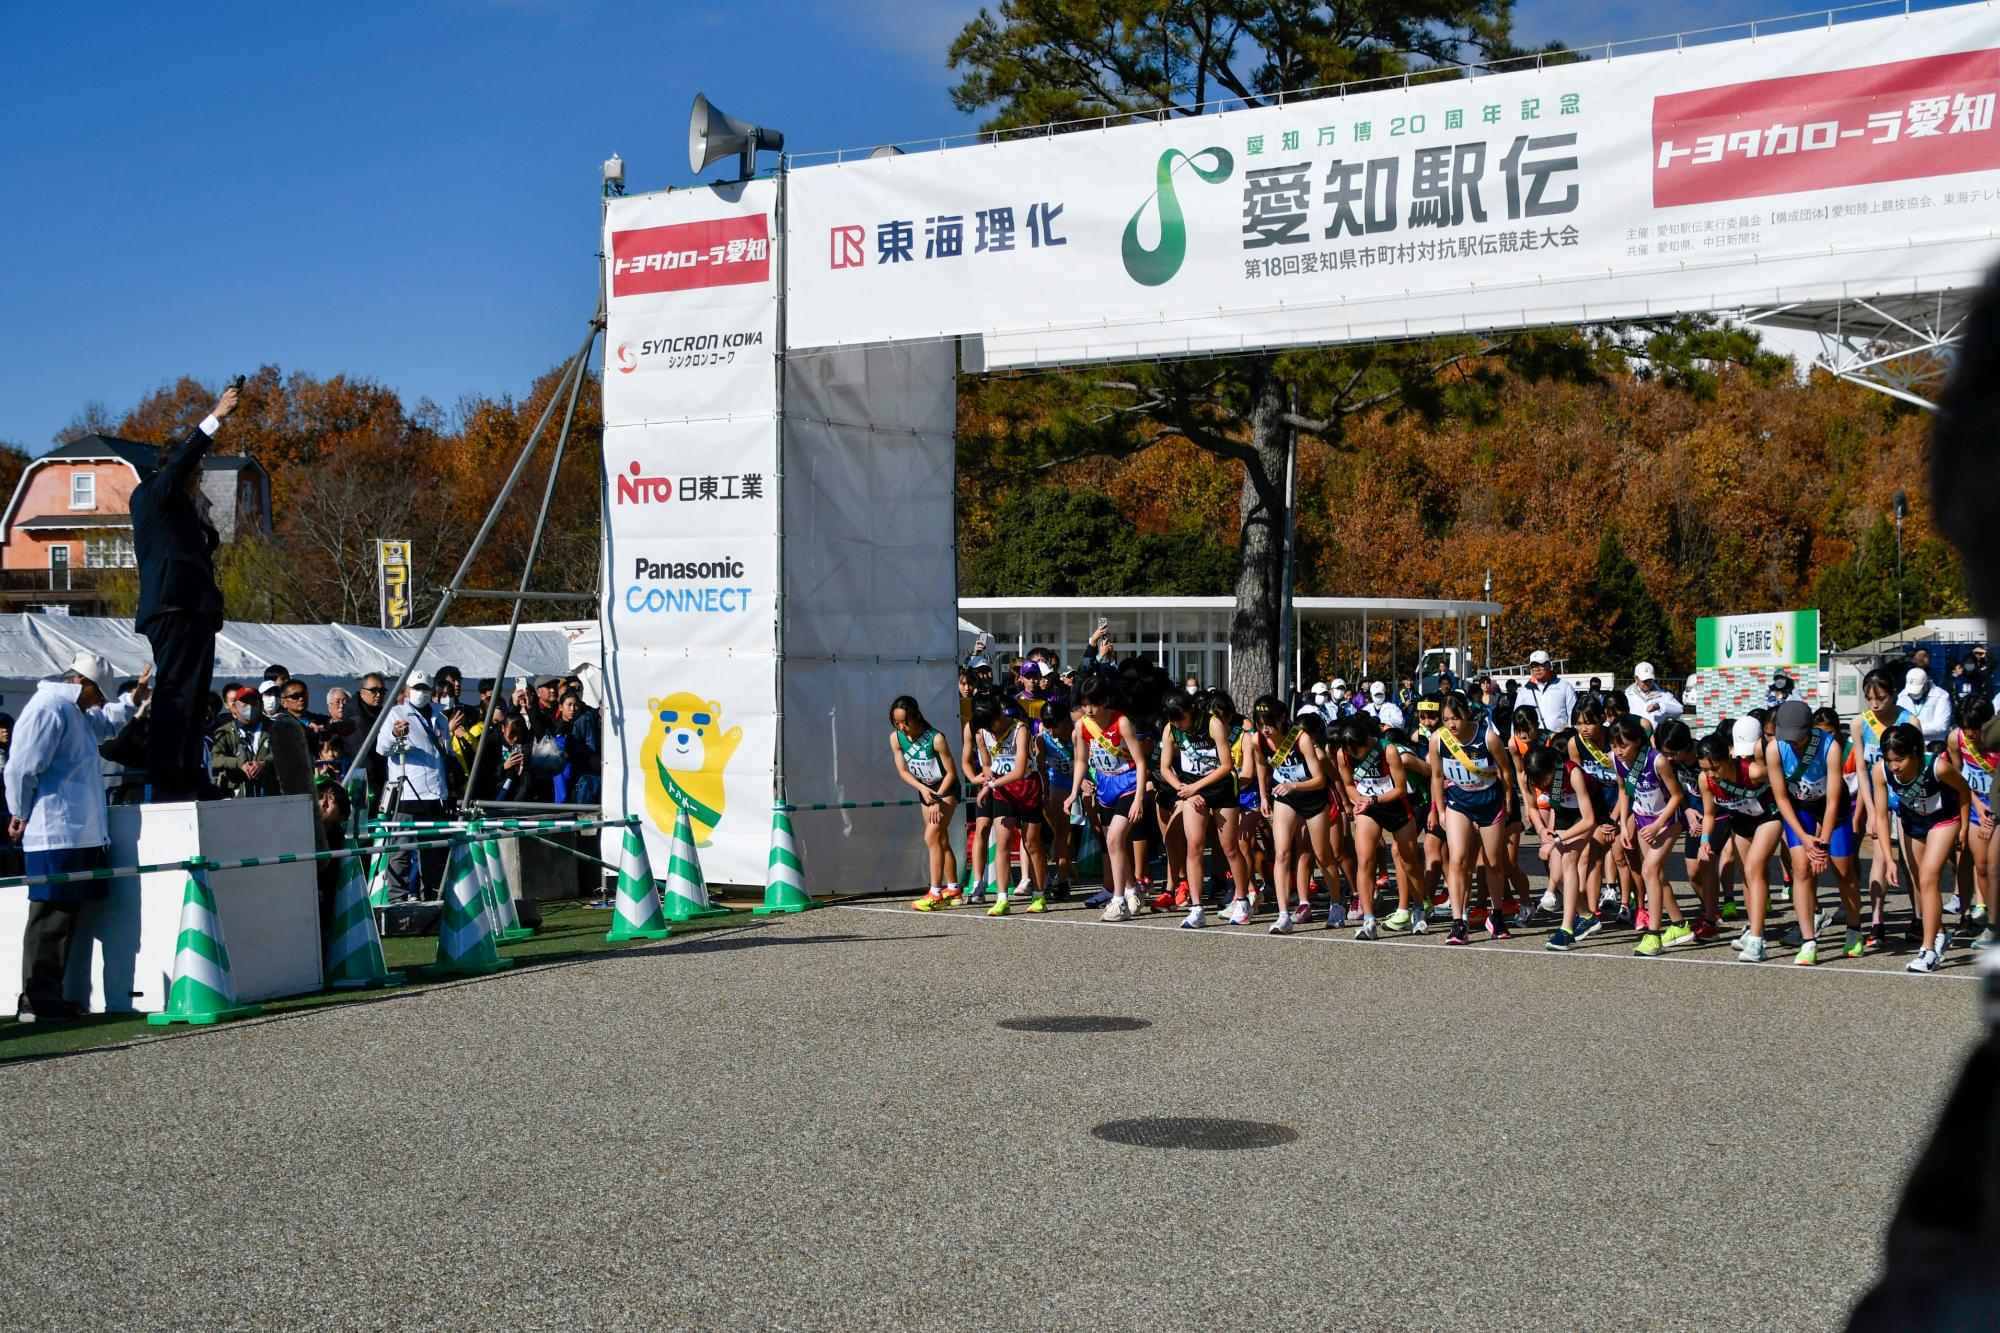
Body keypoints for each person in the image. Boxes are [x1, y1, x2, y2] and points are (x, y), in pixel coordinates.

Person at [9, 653, 146, 1022]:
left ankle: (48, 995)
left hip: (76, 830)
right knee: (50, 914)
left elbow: (105, 725)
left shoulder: (75, 711)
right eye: (98, 693)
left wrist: (132, 700)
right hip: (53, 829)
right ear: (81, 683)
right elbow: (21, 767)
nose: (101, 701)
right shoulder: (48, 709)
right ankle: (36, 999)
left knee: (65, 915)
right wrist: (19, 811)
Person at [132, 381, 239, 801]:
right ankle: (166, 776)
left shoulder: (183, 512)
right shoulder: (153, 493)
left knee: (196, 696)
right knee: (175, 691)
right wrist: (217, 415)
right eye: (195, 474)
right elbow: (179, 466)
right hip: (171, 607)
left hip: (195, 609)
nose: (198, 481)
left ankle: (190, 772)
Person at [1766, 698, 1864, 965]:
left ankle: (1854, 929)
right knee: (1801, 868)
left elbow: (1833, 801)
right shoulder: (1774, 749)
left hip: (1833, 807)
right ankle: (1809, 940)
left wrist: (1822, 844)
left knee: (1844, 870)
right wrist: (1805, 839)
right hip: (1800, 809)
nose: (1793, 743)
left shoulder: (1830, 747)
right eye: (1789, 738)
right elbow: (1781, 798)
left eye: (1798, 738)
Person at [1880, 723, 1974, 973]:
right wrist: (1889, 859)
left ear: (1915, 752)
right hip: (1913, 822)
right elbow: (1880, 816)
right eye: (1888, 760)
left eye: (1898, 759)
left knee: (1929, 876)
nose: (1893, 766)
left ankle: (1929, 949)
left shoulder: (1939, 767)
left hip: (1944, 820)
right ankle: (1940, 933)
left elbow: (1964, 791)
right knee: (1919, 881)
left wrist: (1964, 828)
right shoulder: (1881, 771)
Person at [1428, 690, 1515, 945]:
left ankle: (1496, 914)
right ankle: (1459, 922)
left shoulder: (1488, 738)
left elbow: (1505, 770)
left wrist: (1509, 797)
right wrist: (1439, 809)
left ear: (1466, 713)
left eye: (1455, 717)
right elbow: (1436, 776)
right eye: (1445, 719)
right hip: (1458, 802)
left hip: (1489, 801)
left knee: (1493, 862)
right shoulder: (1438, 740)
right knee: (1457, 860)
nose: (1451, 724)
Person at [1068, 677, 1149, 923]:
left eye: (1093, 704)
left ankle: (1118, 900)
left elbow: (1141, 761)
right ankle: (1132, 889)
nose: (1089, 710)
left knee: (1114, 839)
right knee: (1116, 844)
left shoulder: (1121, 722)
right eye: (1084, 704)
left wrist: (1139, 799)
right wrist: (1074, 792)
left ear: (1105, 701)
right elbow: (1081, 760)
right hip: (1104, 786)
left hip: (1127, 784)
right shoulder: (1082, 726)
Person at [1156, 693, 1235, 930]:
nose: (1180, 724)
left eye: (1182, 719)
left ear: (1192, 710)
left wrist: (1196, 788)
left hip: (1219, 786)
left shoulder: (1213, 723)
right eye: (1175, 720)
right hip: (1191, 787)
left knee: (1230, 847)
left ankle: (1243, 897)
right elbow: (1165, 767)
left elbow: (1226, 765)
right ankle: (1197, 907)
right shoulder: (1171, 729)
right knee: (1195, 846)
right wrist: (1183, 788)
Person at [375, 669, 451, 901]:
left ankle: (432, 897)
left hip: (435, 793)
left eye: (425, 689)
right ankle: (397, 898)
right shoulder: (397, 713)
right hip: (407, 792)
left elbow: (446, 752)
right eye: (416, 688)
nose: (421, 693)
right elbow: (382, 747)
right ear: (407, 690)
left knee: (433, 852)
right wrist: (394, 733)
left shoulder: (440, 716)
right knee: (401, 851)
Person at [893, 697, 962, 910]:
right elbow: (903, 771)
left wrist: (937, 798)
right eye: (897, 722)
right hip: (926, 790)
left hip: (945, 789)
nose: (902, 727)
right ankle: (953, 889)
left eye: (906, 722)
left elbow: (951, 773)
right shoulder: (896, 738)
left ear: (917, 717)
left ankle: (935, 893)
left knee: (930, 836)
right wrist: (923, 789)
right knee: (940, 839)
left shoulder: (936, 738)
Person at [257, 679, 314, 797]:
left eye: (276, 694)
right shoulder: (260, 724)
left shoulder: (311, 720)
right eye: (267, 694)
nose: (301, 699)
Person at [1898, 667, 1955, 750]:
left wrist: (1911, 730)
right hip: (1910, 743)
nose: (1913, 694)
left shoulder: (1941, 696)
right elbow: (1898, 722)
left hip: (1934, 744)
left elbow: (1941, 727)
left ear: (1926, 684)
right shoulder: (1903, 696)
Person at [1520, 651, 1576, 732]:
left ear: (1549, 665)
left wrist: (1570, 734)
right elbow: (1517, 717)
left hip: (1559, 739)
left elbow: (1573, 714)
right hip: (1533, 740)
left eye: (1541, 665)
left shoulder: (1565, 686)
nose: (1537, 669)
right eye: (1534, 666)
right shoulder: (1524, 691)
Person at [1624, 661, 1684, 732]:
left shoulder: (1663, 695)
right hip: (1634, 739)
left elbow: (1679, 710)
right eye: (1644, 680)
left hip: (1656, 739)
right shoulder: (1627, 696)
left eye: (1650, 680)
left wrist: (1659, 706)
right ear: (1636, 679)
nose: (1648, 683)